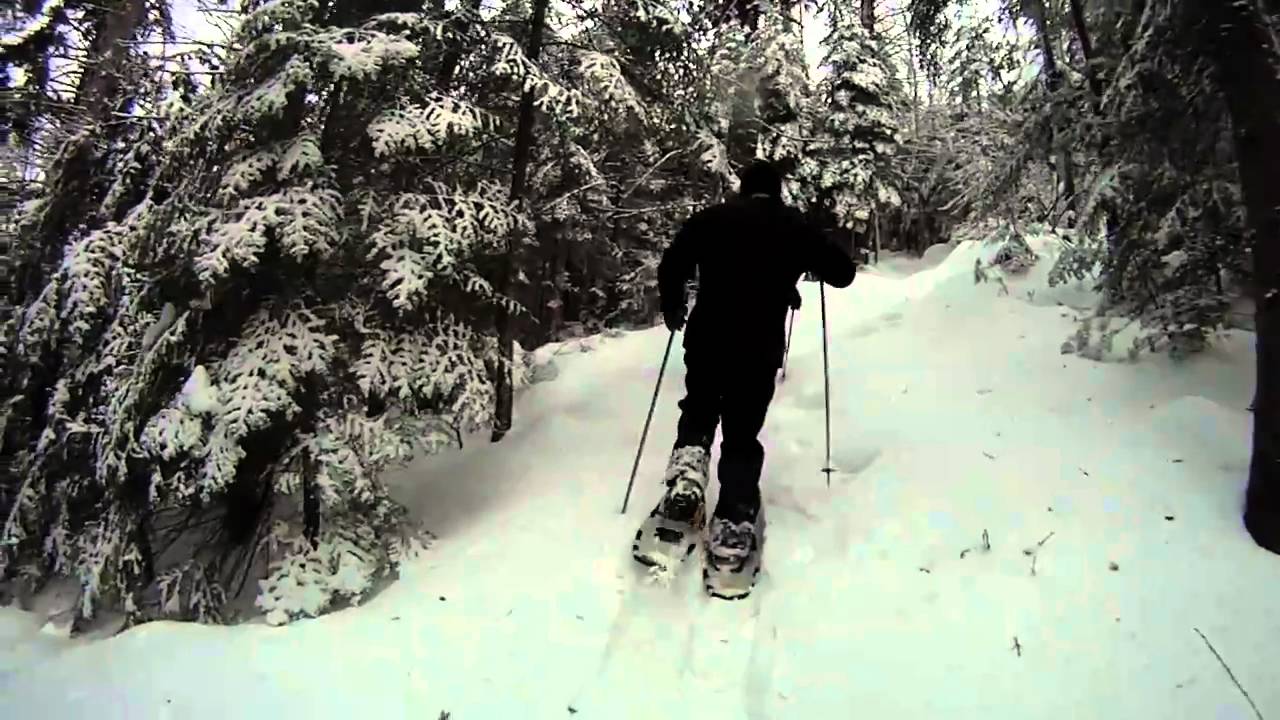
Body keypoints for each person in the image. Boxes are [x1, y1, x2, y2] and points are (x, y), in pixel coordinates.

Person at [635, 159, 856, 597]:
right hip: (758, 345)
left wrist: (673, 304)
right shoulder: (793, 225)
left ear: (742, 189)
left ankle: (687, 478)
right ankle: (734, 512)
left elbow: (673, 262)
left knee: (699, 406)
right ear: (777, 191)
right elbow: (843, 274)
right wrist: (793, 268)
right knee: (741, 426)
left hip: (707, 336)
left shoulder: (712, 218)